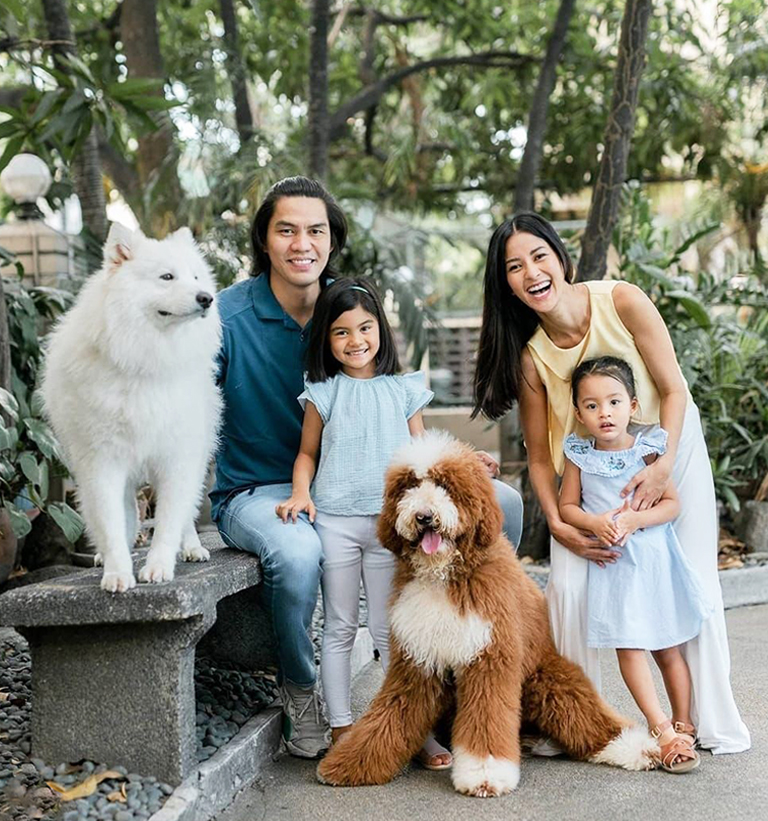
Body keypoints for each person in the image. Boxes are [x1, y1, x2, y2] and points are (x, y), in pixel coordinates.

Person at [211, 176, 524, 760]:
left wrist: (462, 462)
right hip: (265, 489)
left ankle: (469, 663)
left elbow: (403, 424)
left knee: (502, 503)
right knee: (298, 554)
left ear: (331, 241)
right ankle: (303, 693)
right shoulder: (227, 315)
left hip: (367, 491)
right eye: (286, 230)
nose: (302, 243)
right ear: (264, 240)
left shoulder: (348, 304)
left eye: (316, 230)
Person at [473, 211, 750, 755]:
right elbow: (536, 460)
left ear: (560, 256)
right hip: (592, 483)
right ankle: (576, 725)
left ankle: (701, 724)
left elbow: (674, 391)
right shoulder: (532, 359)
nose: (530, 272)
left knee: (691, 582)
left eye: (538, 256)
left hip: (667, 449)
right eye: (514, 267)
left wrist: (664, 463)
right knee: (570, 587)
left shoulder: (622, 300)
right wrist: (558, 522)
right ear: (505, 282)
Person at [275, 276, 451, 769]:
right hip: (334, 522)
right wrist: (300, 493)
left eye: (365, 327)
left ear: (381, 330)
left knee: (387, 630)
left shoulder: (403, 389)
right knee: (338, 627)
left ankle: (413, 730)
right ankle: (342, 725)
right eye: (341, 332)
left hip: (388, 530)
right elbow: (306, 454)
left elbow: (423, 457)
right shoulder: (323, 392)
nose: (356, 341)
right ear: (326, 341)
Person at [560, 356, 712, 773]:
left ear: (632, 405)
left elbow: (671, 505)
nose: (603, 413)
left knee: (668, 646)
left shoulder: (648, 451)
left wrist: (634, 519)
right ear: (578, 413)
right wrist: (594, 522)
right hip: (615, 568)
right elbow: (567, 507)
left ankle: (685, 722)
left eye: (612, 402)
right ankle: (661, 728)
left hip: (654, 562)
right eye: (591, 406)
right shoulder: (578, 454)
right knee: (629, 647)